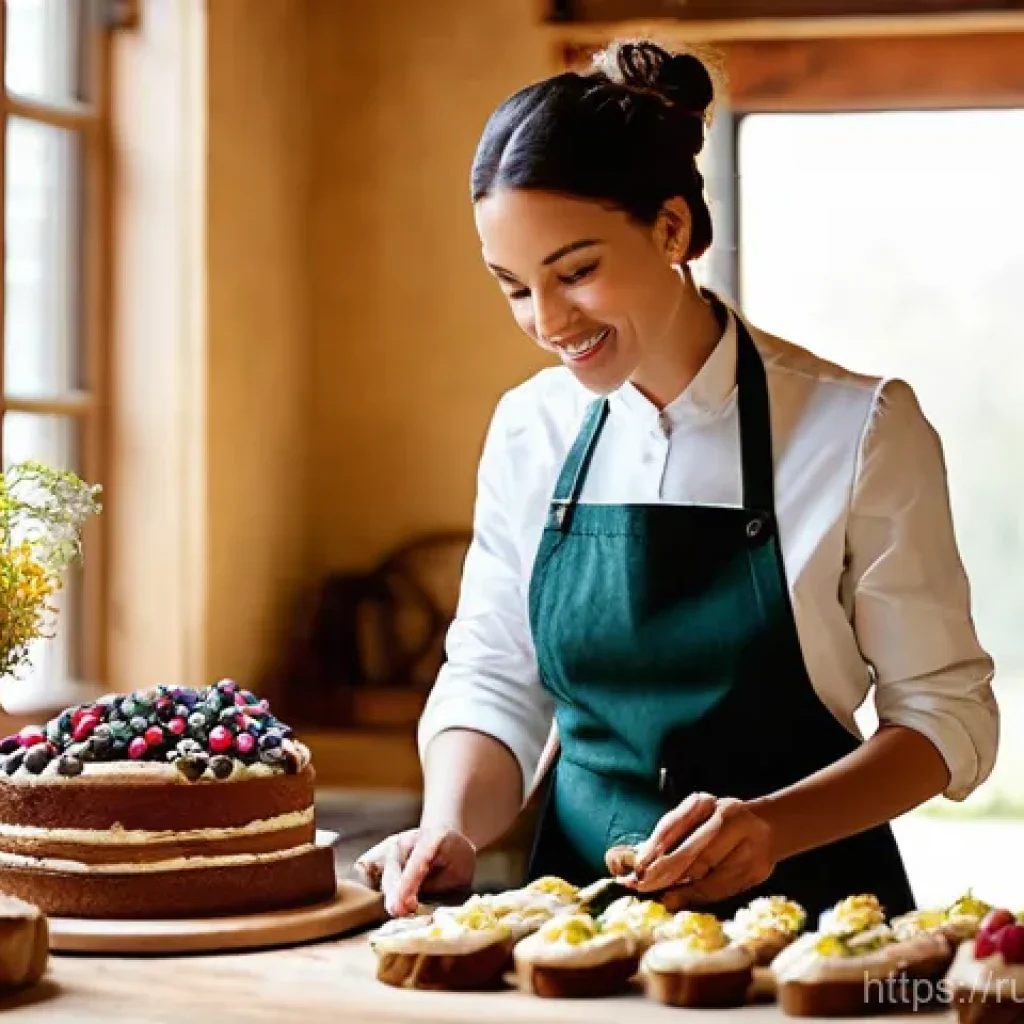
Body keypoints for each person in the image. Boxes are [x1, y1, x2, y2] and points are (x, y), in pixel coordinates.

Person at [354, 40, 998, 922]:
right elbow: (497, 676)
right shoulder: (530, 428)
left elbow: (945, 718)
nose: (545, 322)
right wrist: (450, 829)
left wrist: (771, 826)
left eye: (576, 272)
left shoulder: (862, 429)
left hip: (813, 923)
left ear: (671, 228)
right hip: (576, 922)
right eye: (513, 286)